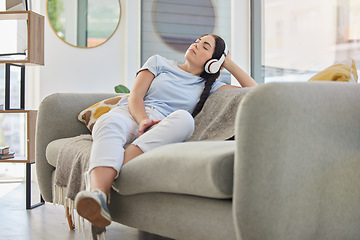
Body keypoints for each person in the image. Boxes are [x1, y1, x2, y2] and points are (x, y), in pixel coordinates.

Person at [74, 34, 258, 228]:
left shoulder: (211, 86)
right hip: (133, 114)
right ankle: (97, 196)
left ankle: (110, 170)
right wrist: (143, 120)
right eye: (197, 40)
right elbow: (135, 96)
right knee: (109, 121)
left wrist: (228, 63)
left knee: (185, 119)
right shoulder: (158, 62)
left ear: (213, 63)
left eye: (205, 46)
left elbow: (253, 91)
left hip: (163, 127)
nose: (196, 44)